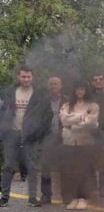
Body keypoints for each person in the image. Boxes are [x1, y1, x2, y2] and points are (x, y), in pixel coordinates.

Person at [0, 66, 53, 207]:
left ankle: (32, 198)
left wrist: (38, 133)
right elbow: (3, 111)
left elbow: (48, 115)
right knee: (8, 166)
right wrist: (3, 130)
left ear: (32, 77)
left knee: (32, 167)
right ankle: (4, 198)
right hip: (11, 134)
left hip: (31, 136)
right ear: (18, 77)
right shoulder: (10, 92)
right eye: (23, 76)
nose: (26, 79)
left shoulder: (40, 94)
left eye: (28, 76)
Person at [59, 81, 100, 210]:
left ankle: (84, 198)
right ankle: (74, 197)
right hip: (69, 142)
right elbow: (63, 120)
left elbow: (91, 123)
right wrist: (81, 117)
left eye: (82, 89)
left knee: (84, 171)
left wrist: (72, 121)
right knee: (71, 172)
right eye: (77, 89)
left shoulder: (93, 106)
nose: (80, 92)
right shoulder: (67, 105)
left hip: (85, 142)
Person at [41, 75, 67, 204]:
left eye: (56, 84)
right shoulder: (43, 101)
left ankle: (66, 194)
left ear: (60, 86)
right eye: (51, 84)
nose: (53, 86)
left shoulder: (68, 101)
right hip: (47, 137)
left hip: (64, 138)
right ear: (48, 86)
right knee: (46, 167)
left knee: (65, 167)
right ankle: (46, 195)